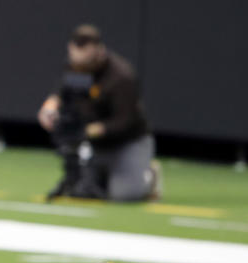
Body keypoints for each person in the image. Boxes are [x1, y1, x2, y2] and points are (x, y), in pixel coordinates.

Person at [38, 25, 160, 201]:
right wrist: (49, 107)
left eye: (82, 59)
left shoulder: (120, 76)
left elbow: (125, 121)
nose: (77, 65)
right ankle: (104, 175)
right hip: (95, 145)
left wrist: (89, 130)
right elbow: (62, 89)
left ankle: (147, 177)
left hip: (128, 143)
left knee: (124, 195)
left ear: (96, 51)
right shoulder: (77, 66)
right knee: (83, 190)